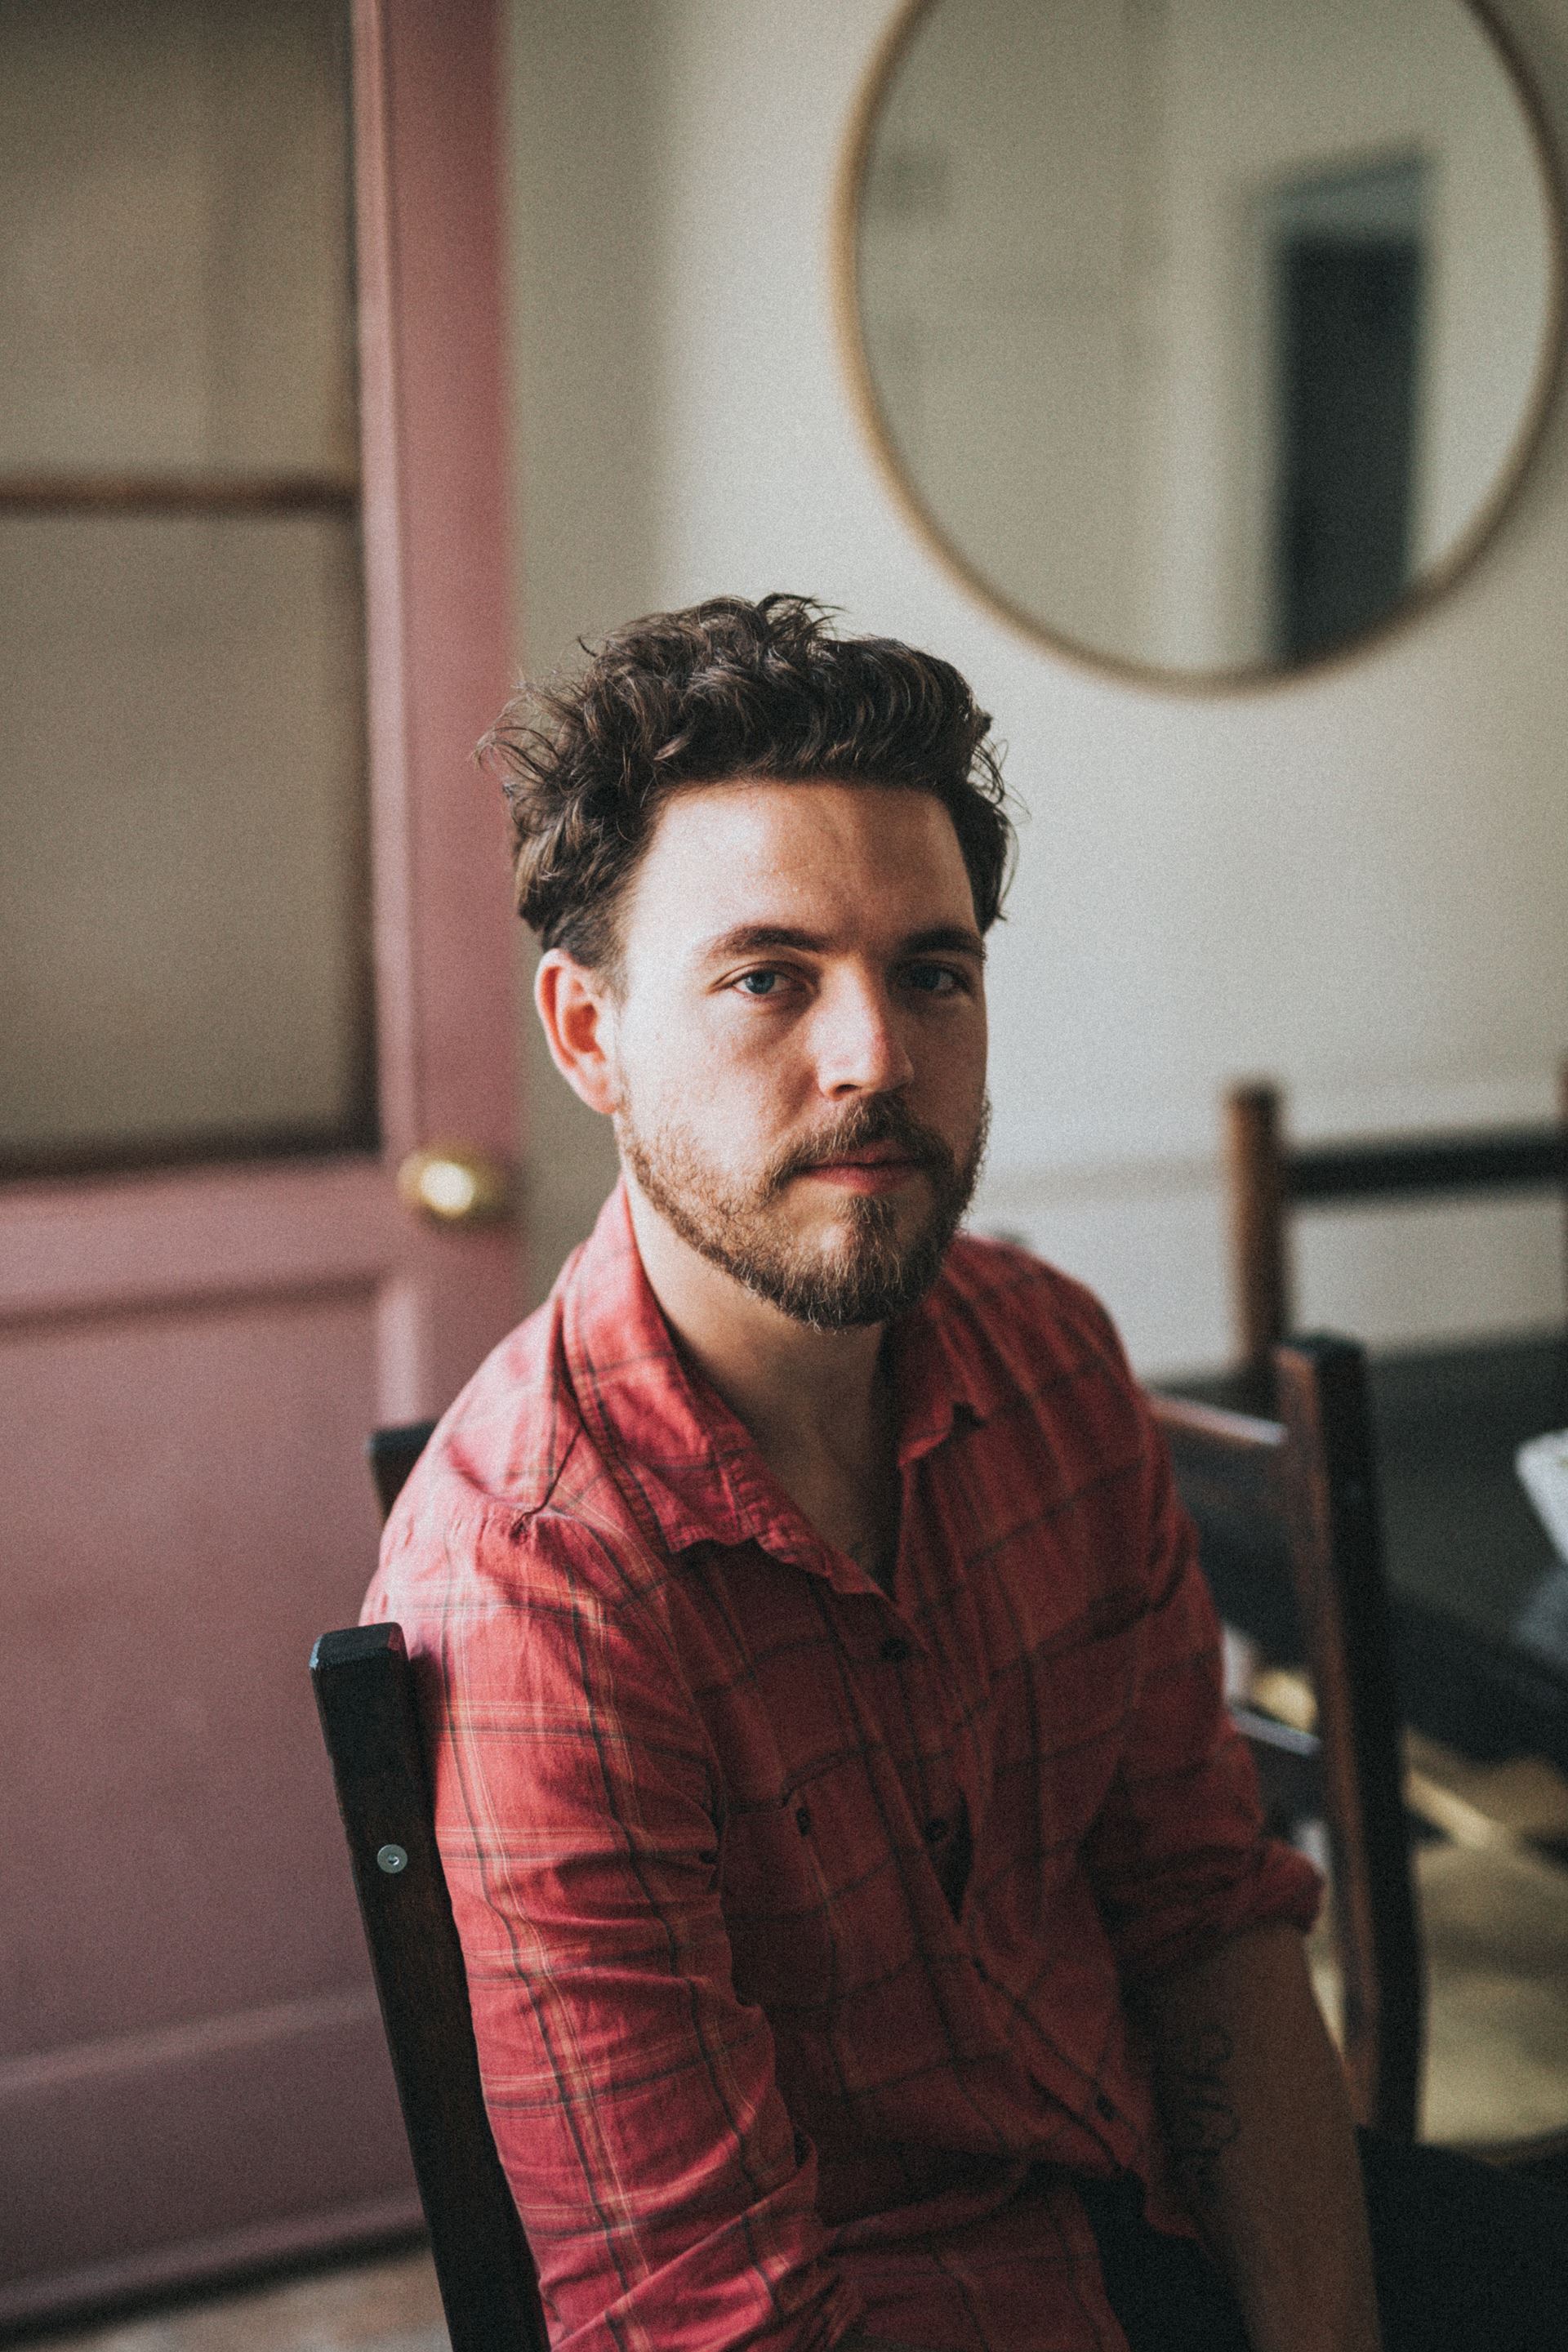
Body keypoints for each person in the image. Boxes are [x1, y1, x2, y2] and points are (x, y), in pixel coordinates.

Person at [365, 595, 1564, 2352]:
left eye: (932, 971)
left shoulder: (1046, 1357)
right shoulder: (538, 1593)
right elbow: (711, 2322)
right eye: (769, 977)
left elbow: (1207, 1922)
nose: (875, 1057)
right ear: (590, 1035)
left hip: (1167, 2210)